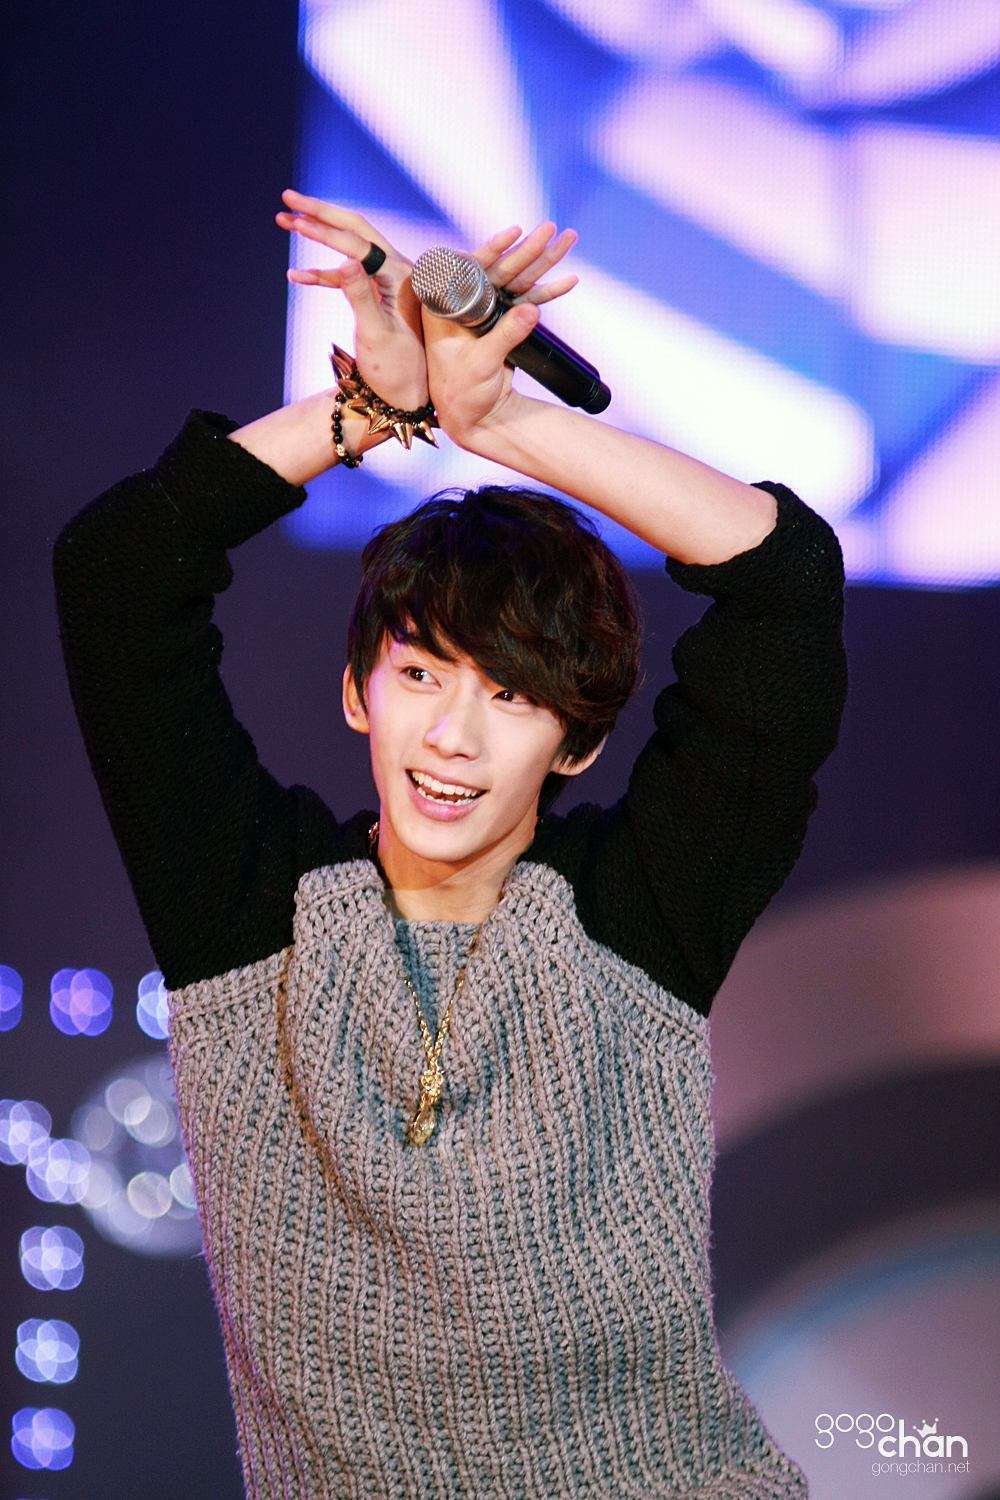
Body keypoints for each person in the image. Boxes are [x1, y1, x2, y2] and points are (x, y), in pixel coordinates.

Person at [55, 192, 846, 1499]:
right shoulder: (249, 914)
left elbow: (786, 585)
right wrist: (370, 411)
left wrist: (500, 422)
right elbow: (117, 573)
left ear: (577, 742)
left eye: (515, 695)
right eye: (423, 674)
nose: (454, 738)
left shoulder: (638, 915)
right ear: (357, 690)